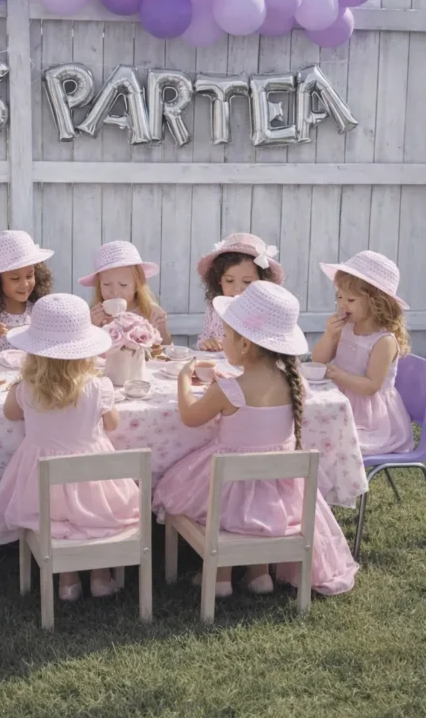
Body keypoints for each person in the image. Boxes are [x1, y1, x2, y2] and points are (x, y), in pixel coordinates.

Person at [153, 281, 358, 598]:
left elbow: (190, 416)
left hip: (228, 487)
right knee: (252, 498)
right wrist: (225, 383)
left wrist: (183, 379)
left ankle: (220, 577)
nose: (223, 341)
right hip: (279, 495)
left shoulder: (228, 390)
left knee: (199, 492)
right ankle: (259, 574)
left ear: (245, 344)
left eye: (226, 335)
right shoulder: (295, 383)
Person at [0, 293, 140, 601]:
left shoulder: (27, 389)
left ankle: (67, 581)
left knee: (56, 516)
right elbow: (112, 424)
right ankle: (100, 577)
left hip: (41, 487)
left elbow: (10, 413)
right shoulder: (98, 387)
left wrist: (17, 386)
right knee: (97, 514)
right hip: (94, 483)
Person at [312, 250, 413, 455]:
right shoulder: (347, 327)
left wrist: (337, 375)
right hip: (341, 403)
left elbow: (371, 387)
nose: (342, 304)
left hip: (372, 419)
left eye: (350, 300)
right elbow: (318, 360)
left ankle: (339, 476)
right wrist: (329, 334)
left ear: (377, 303)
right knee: (309, 430)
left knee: (329, 442)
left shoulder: (383, 341)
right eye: (340, 296)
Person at [196, 232, 284, 352]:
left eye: (247, 281)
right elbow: (204, 338)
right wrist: (206, 344)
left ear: (262, 281)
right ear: (219, 280)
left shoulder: (267, 310)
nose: (237, 289)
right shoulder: (214, 307)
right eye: (229, 280)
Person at [79, 240, 171, 344]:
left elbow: (167, 349)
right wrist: (91, 326)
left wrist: (162, 327)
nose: (115, 292)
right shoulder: (95, 316)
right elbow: (84, 349)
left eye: (123, 285)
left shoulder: (149, 312)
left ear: (137, 285)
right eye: (106, 284)